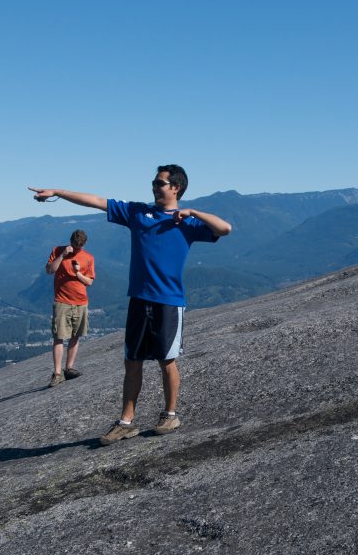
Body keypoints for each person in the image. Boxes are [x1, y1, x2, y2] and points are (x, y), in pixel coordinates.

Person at [30, 164, 232, 443]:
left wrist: (193, 212)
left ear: (176, 187)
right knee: (132, 361)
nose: (154, 186)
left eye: (160, 183)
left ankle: (170, 414)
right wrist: (58, 192)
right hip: (139, 299)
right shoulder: (139, 213)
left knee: (167, 360)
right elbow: (98, 202)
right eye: (154, 182)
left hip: (169, 302)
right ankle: (126, 421)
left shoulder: (187, 222)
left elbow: (226, 228)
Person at [46, 229, 95, 387]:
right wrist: (62, 256)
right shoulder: (58, 251)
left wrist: (77, 273)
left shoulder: (88, 258)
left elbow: (89, 282)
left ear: (84, 244)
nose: (76, 249)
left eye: (79, 247)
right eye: (74, 246)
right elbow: (50, 270)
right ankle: (57, 373)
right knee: (59, 336)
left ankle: (69, 368)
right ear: (70, 242)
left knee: (76, 335)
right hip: (62, 301)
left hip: (81, 302)